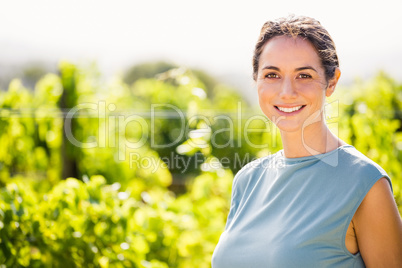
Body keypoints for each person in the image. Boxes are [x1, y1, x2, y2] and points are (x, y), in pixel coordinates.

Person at [211, 15, 402, 267]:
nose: (287, 92)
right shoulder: (247, 180)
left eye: (304, 75)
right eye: (271, 75)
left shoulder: (364, 183)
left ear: (331, 81)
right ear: (256, 80)